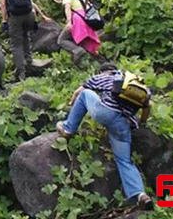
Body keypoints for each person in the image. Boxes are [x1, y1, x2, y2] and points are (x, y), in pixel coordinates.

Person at [56, 63, 154, 211]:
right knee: (124, 160)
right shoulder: (133, 83)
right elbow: (148, 107)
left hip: (105, 112)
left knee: (85, 94)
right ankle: (140, 194)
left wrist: (70, 105)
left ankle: (68, 128)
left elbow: (78, 92)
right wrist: (142, 123)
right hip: (123, 124)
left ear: (103, 71)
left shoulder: (102, 77)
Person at [0, 0, 51, 81]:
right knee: (26, 36)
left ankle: (21, 72)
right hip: (29, 15)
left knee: (16, 44)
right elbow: (31, 2)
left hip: (15, 17)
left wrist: (4, 20)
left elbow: (3, 5)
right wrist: (42, 15)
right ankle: (29, 61)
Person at [52, 0, 103, 64]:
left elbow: (67, 8)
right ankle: (99, 62)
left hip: (77, 20)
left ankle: (78, 51)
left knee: (61, 40)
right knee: (86, 43)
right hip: (85, 20)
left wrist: (69, 22)